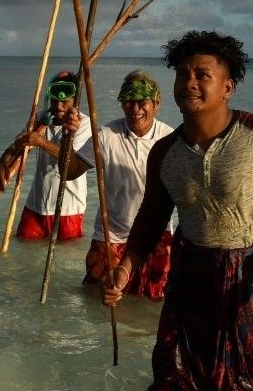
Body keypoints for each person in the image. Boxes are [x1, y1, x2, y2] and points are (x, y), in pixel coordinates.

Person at [102, 30, 253, 391]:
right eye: (182, 74)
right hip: (193, 270)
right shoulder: (165, 152)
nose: (189, 82)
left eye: (201, 74)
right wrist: (125, 268)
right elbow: (151, 219)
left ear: (228, 87)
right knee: (184, 380)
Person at [61, 71, 175, 300]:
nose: (135, 109)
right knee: (97, 299)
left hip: (156, 235)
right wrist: (67, 135)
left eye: (142, 102)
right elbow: (70, 172)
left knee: (154, 301)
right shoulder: (105, 135)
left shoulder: (169, 138)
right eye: (129, 102)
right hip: (111, 237)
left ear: (157, 103)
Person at [0, 70, 90, 242]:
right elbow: (19, 144)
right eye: (55, 101)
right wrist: (2, 162)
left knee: (64, 262)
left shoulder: (84, 124)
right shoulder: (41, 118)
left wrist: (41, 142)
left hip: (68, 209)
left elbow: (71, 160)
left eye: (64, 102)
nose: (58, 106)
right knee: (24, 250)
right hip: (35, 205)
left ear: (75, 101)